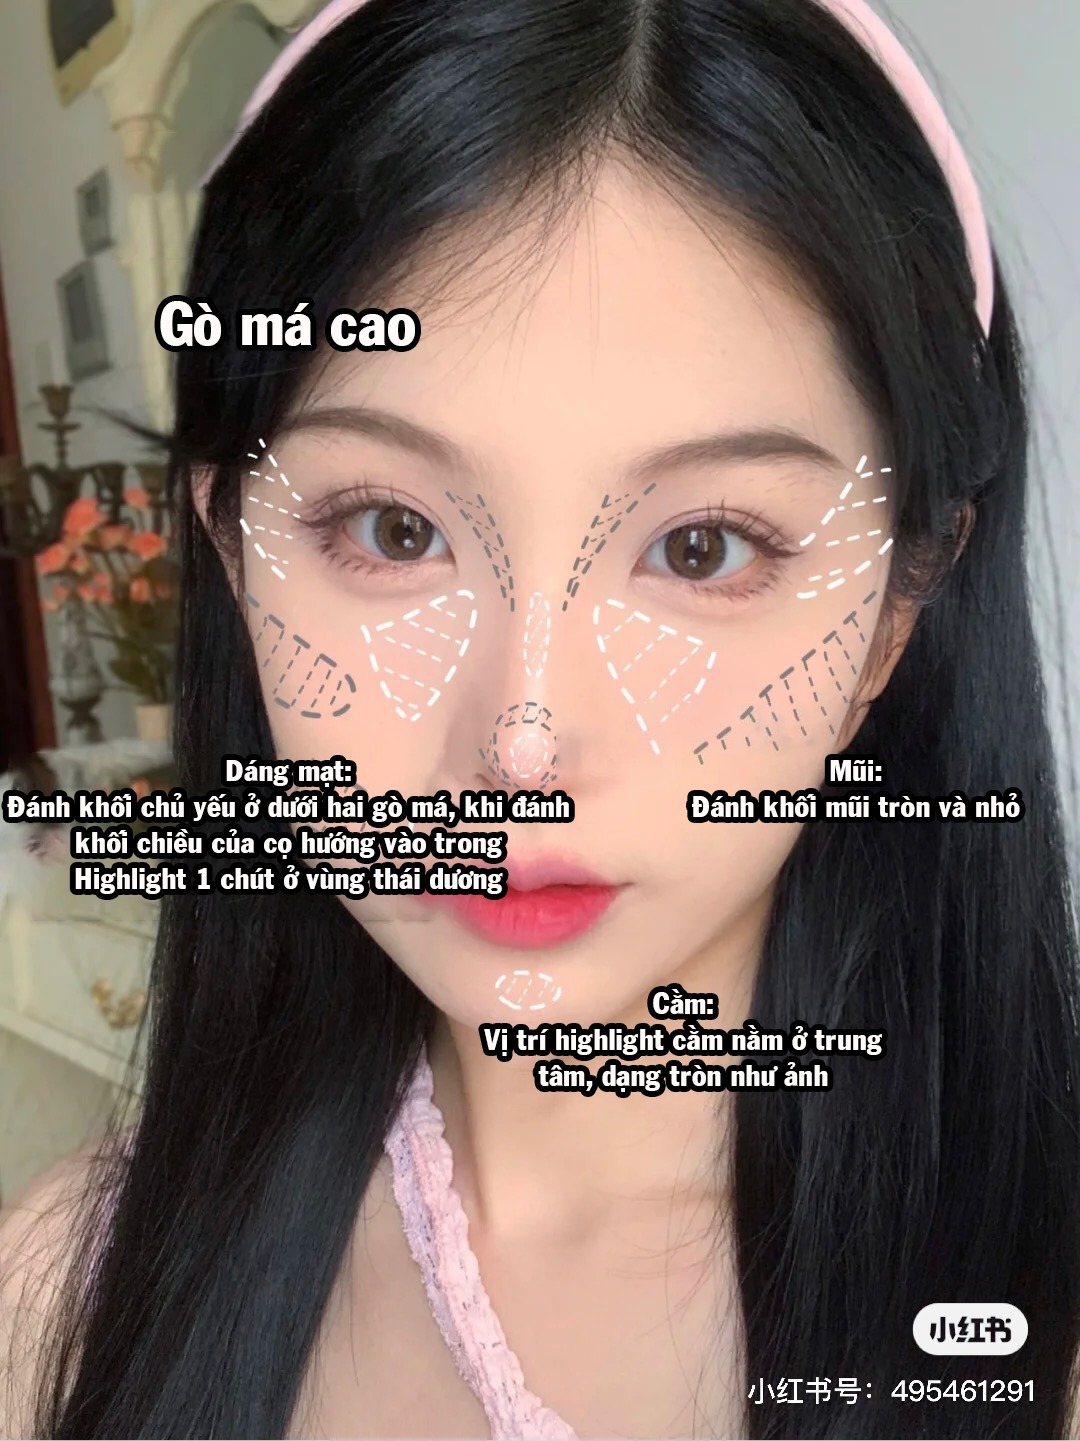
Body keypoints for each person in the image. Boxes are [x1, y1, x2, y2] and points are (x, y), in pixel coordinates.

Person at [3, 0, 1079, 1436]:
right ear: (235, 557)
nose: (520, 742)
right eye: (391, 530)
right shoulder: (57, 1300)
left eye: (702, 548)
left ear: (897, 609)